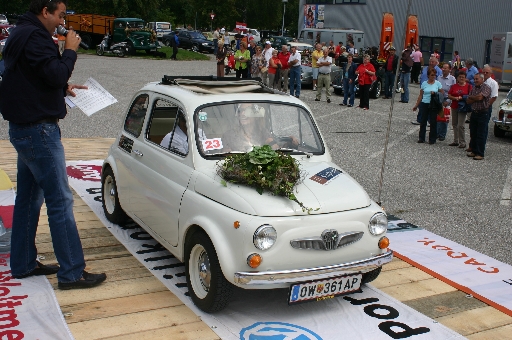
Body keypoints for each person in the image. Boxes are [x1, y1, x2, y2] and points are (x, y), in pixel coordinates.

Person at [0, 0, 106, 289]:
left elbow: (35, 76)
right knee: (60, 201)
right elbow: (57, 71)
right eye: (60, 15)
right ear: (44, 11)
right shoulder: (37, 37)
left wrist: (62, 89)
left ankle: (22, 263)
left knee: (29, 198)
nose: (63, 21)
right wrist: (70, 50)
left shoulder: (21, 32)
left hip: (25, 129)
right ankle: (72, 272)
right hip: (39, 132)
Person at [222, 103, 299, 152]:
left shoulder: (263, 132)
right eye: (240, 110)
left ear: (256, 115)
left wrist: (289, 143)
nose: (242, 114)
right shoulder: (229, 135)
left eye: (247, 110)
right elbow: (224, 156)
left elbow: (275, 149)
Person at [412, 68, 444, 144]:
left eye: (434, 75)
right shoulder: (424, 83)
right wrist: (416, 105)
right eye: (432, 75)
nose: (433, 77)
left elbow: (442, 94)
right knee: (423, 121)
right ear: (428, 76)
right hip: (424, 103)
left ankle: (432, 139)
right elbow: (420, 95)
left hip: (433, 104)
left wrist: (435, 94)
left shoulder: (438, 83)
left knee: (433, 122)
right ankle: (421, 138)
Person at [466, 73, 491, 160]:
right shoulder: (473, 88)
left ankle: (480, 153)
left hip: (483, 113)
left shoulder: (486, 87)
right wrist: (474, 97)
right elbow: (468, 101)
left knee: (481, 134)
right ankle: (474, 150)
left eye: (477, 79)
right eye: (474, 79)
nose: (475, 80)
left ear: (482, 79)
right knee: (473, 133)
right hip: (474, 113)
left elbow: (480, 98)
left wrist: (473, 97)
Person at [447, 71, 472, 149]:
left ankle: (462, 142)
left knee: (460, 125)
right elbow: (449, 95)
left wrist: (462, 97)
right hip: (454, 106)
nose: (461, 78)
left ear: (465, 78)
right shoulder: (453, 86)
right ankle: (455, 140)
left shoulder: (469, 86)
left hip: (463, 107)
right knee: (454, 124)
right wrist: (455, 98)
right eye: (460, 77)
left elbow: (471, 95)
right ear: (457, 78)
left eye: (463, 77)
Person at [436, 63, 456, 141]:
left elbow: (453, 91)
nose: (443, 69)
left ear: (449, 69)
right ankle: (437, 133)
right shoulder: (439, 78)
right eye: (443, 68)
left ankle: (442, 134)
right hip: (439, 99)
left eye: (445, 68)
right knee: (438, 118)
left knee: (444, 119)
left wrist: (448, 101)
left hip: (447, 100)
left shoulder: (452, 79)